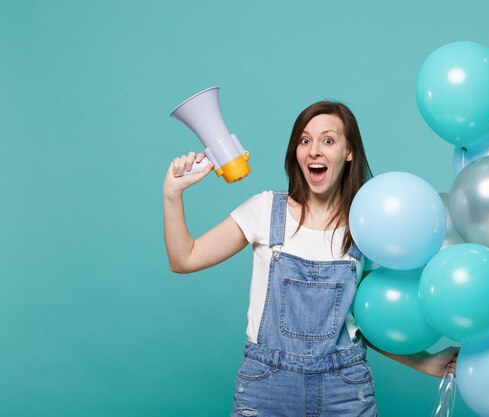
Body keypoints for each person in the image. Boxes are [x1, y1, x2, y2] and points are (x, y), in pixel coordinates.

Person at [163, 101, 457, 416]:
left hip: (343, 390)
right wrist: (172, 193)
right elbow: (185, 258)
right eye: (305, 141)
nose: (314, 150)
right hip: (266, 385)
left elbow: (371, 322)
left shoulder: (367, 230)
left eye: (328, 140)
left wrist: (424, 361)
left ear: (349, 152)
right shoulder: (264, 211)